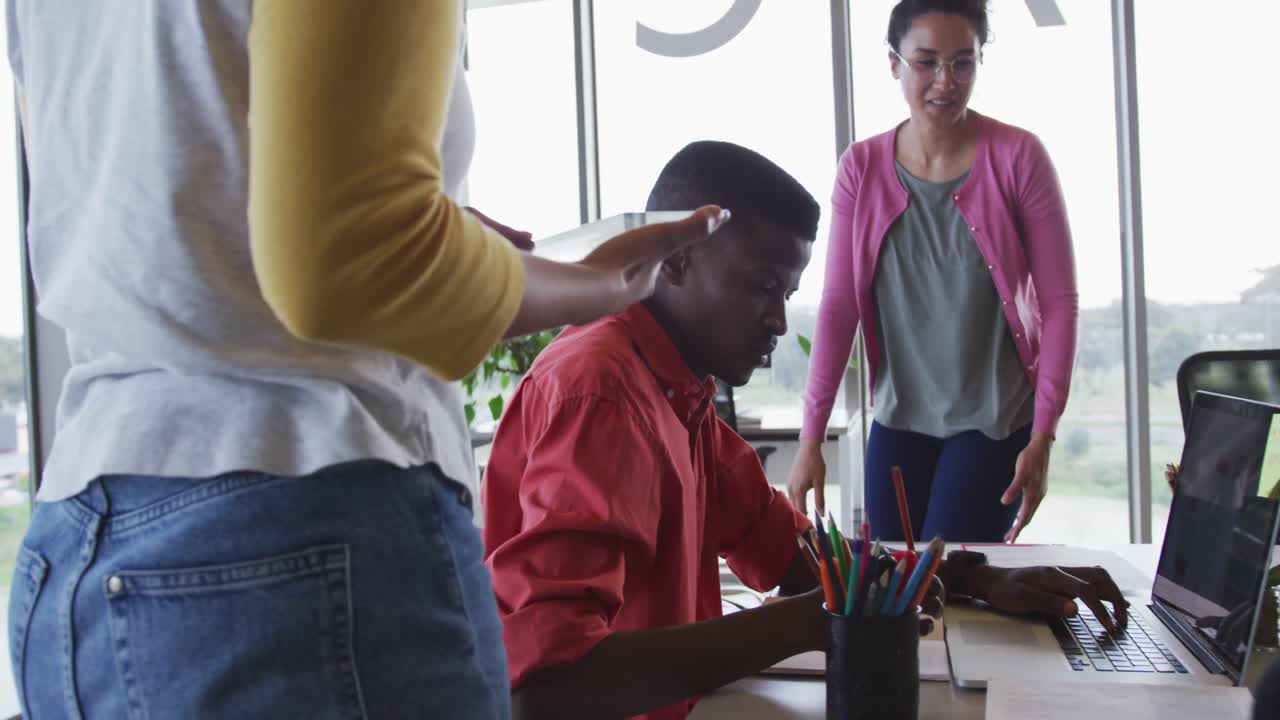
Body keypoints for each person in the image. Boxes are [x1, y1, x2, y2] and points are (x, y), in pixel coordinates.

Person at [4, 2, 726, 718]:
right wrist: (593, 285)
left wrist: (430, 236)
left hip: (79, 549)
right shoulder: (600, 385)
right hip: (299, 544)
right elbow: (347, 260)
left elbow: (152, 210)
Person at [482, 141, 1125, 720]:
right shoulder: (602, 392)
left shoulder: (678, 389)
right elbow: (551, 686)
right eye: (763, 288)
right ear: (674, 263)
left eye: (786, 293)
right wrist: (818, 621)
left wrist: (965, 577)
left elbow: (794, 558)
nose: (779, 322)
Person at [786, 0, 1078, 544]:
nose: (945, 81)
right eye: (926, 62)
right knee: (892, 596)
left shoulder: (1019, 158)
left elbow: (1059, 303)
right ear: (895, 64)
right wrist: (809, 438)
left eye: (962, 63)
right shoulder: (862, 167)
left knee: (951, 588)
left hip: (993, 422)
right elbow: (839, 305)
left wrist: (1043, 435)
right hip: (898, 423)